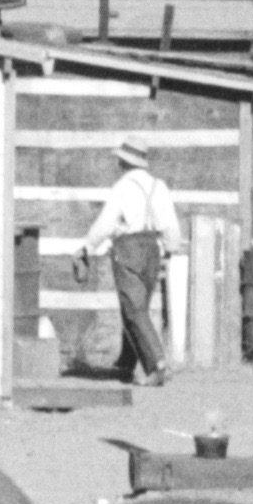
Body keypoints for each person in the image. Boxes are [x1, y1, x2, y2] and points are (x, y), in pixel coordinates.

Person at [87, 146, 184, 390]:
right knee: (137, 306)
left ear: (124, 163)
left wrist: (89, 244)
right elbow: (171, 225)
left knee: (134, 310)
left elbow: (106, 223)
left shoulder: (122, 187)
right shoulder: (159, 187)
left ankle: (157, 365)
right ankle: (126, 361)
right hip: (152, 249)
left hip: (128, 249)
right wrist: (170, 250)